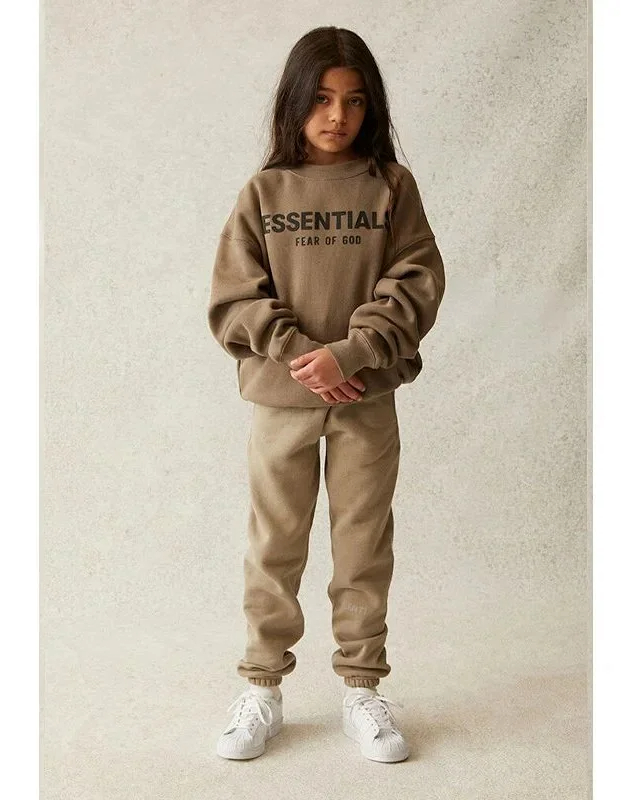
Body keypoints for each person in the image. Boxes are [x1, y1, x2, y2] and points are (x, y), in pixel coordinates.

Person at [207, 25, 445, 763]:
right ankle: (262, 688)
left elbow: (417, 279)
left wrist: (355, 351)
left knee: (362, 544)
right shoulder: (264, 192)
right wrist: (299, 353)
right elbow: (234, 297)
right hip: (282, 404)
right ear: (294, 101)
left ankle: (362, 689)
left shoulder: (391, 187)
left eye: (354, 100)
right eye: (321, 98)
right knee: (274, 545)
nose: (337, 115)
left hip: (365, 400)